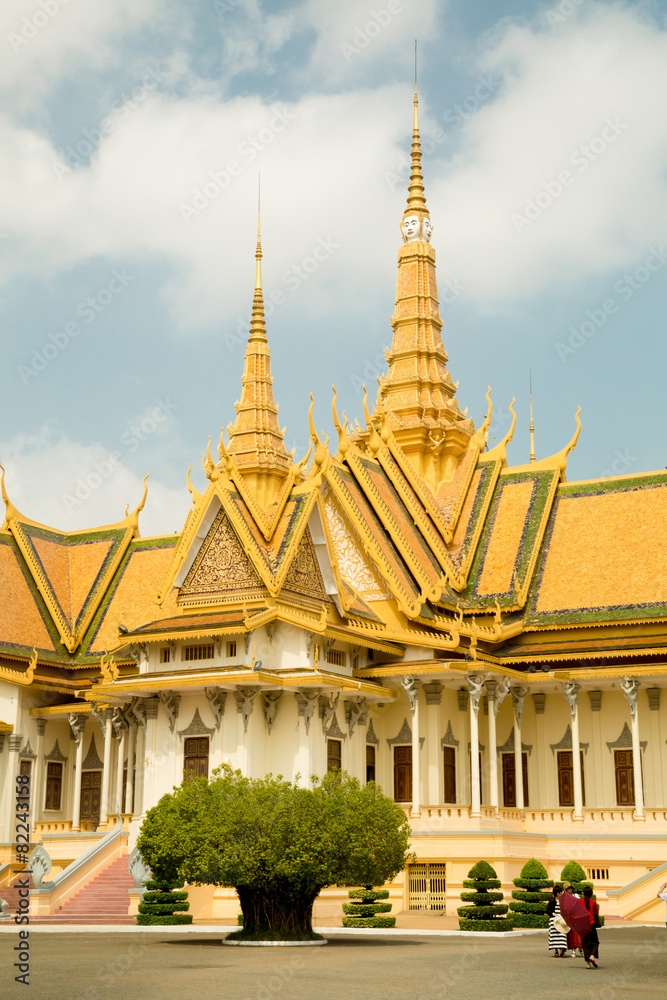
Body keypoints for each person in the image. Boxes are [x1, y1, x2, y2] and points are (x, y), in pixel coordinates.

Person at [581, 886, 600, 969]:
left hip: (583, 925)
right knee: (595, 942)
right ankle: (592, 956)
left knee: (585, 944)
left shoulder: (580, 901)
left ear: (583, 893)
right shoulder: (593, 901)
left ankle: (588, 964)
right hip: (591, 924)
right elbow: (597, 912)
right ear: (591, 893)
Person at [563, 882, 583, 956]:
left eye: (571, 888)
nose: (570, 889)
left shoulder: (576, 895)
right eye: (569, 888)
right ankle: (573, 950)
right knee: (572, 934)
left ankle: (580, 948)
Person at [546, 886, 567, 957]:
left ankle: (562, 951)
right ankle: (556, 951)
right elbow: (548, 910)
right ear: (556, 893)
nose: (560, 893)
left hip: (561, 920)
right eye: (559, 892)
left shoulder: (563, 901)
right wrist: (553, 914)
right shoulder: (552, 901)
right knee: (554, 936)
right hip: (554, 920)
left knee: (562, 935)